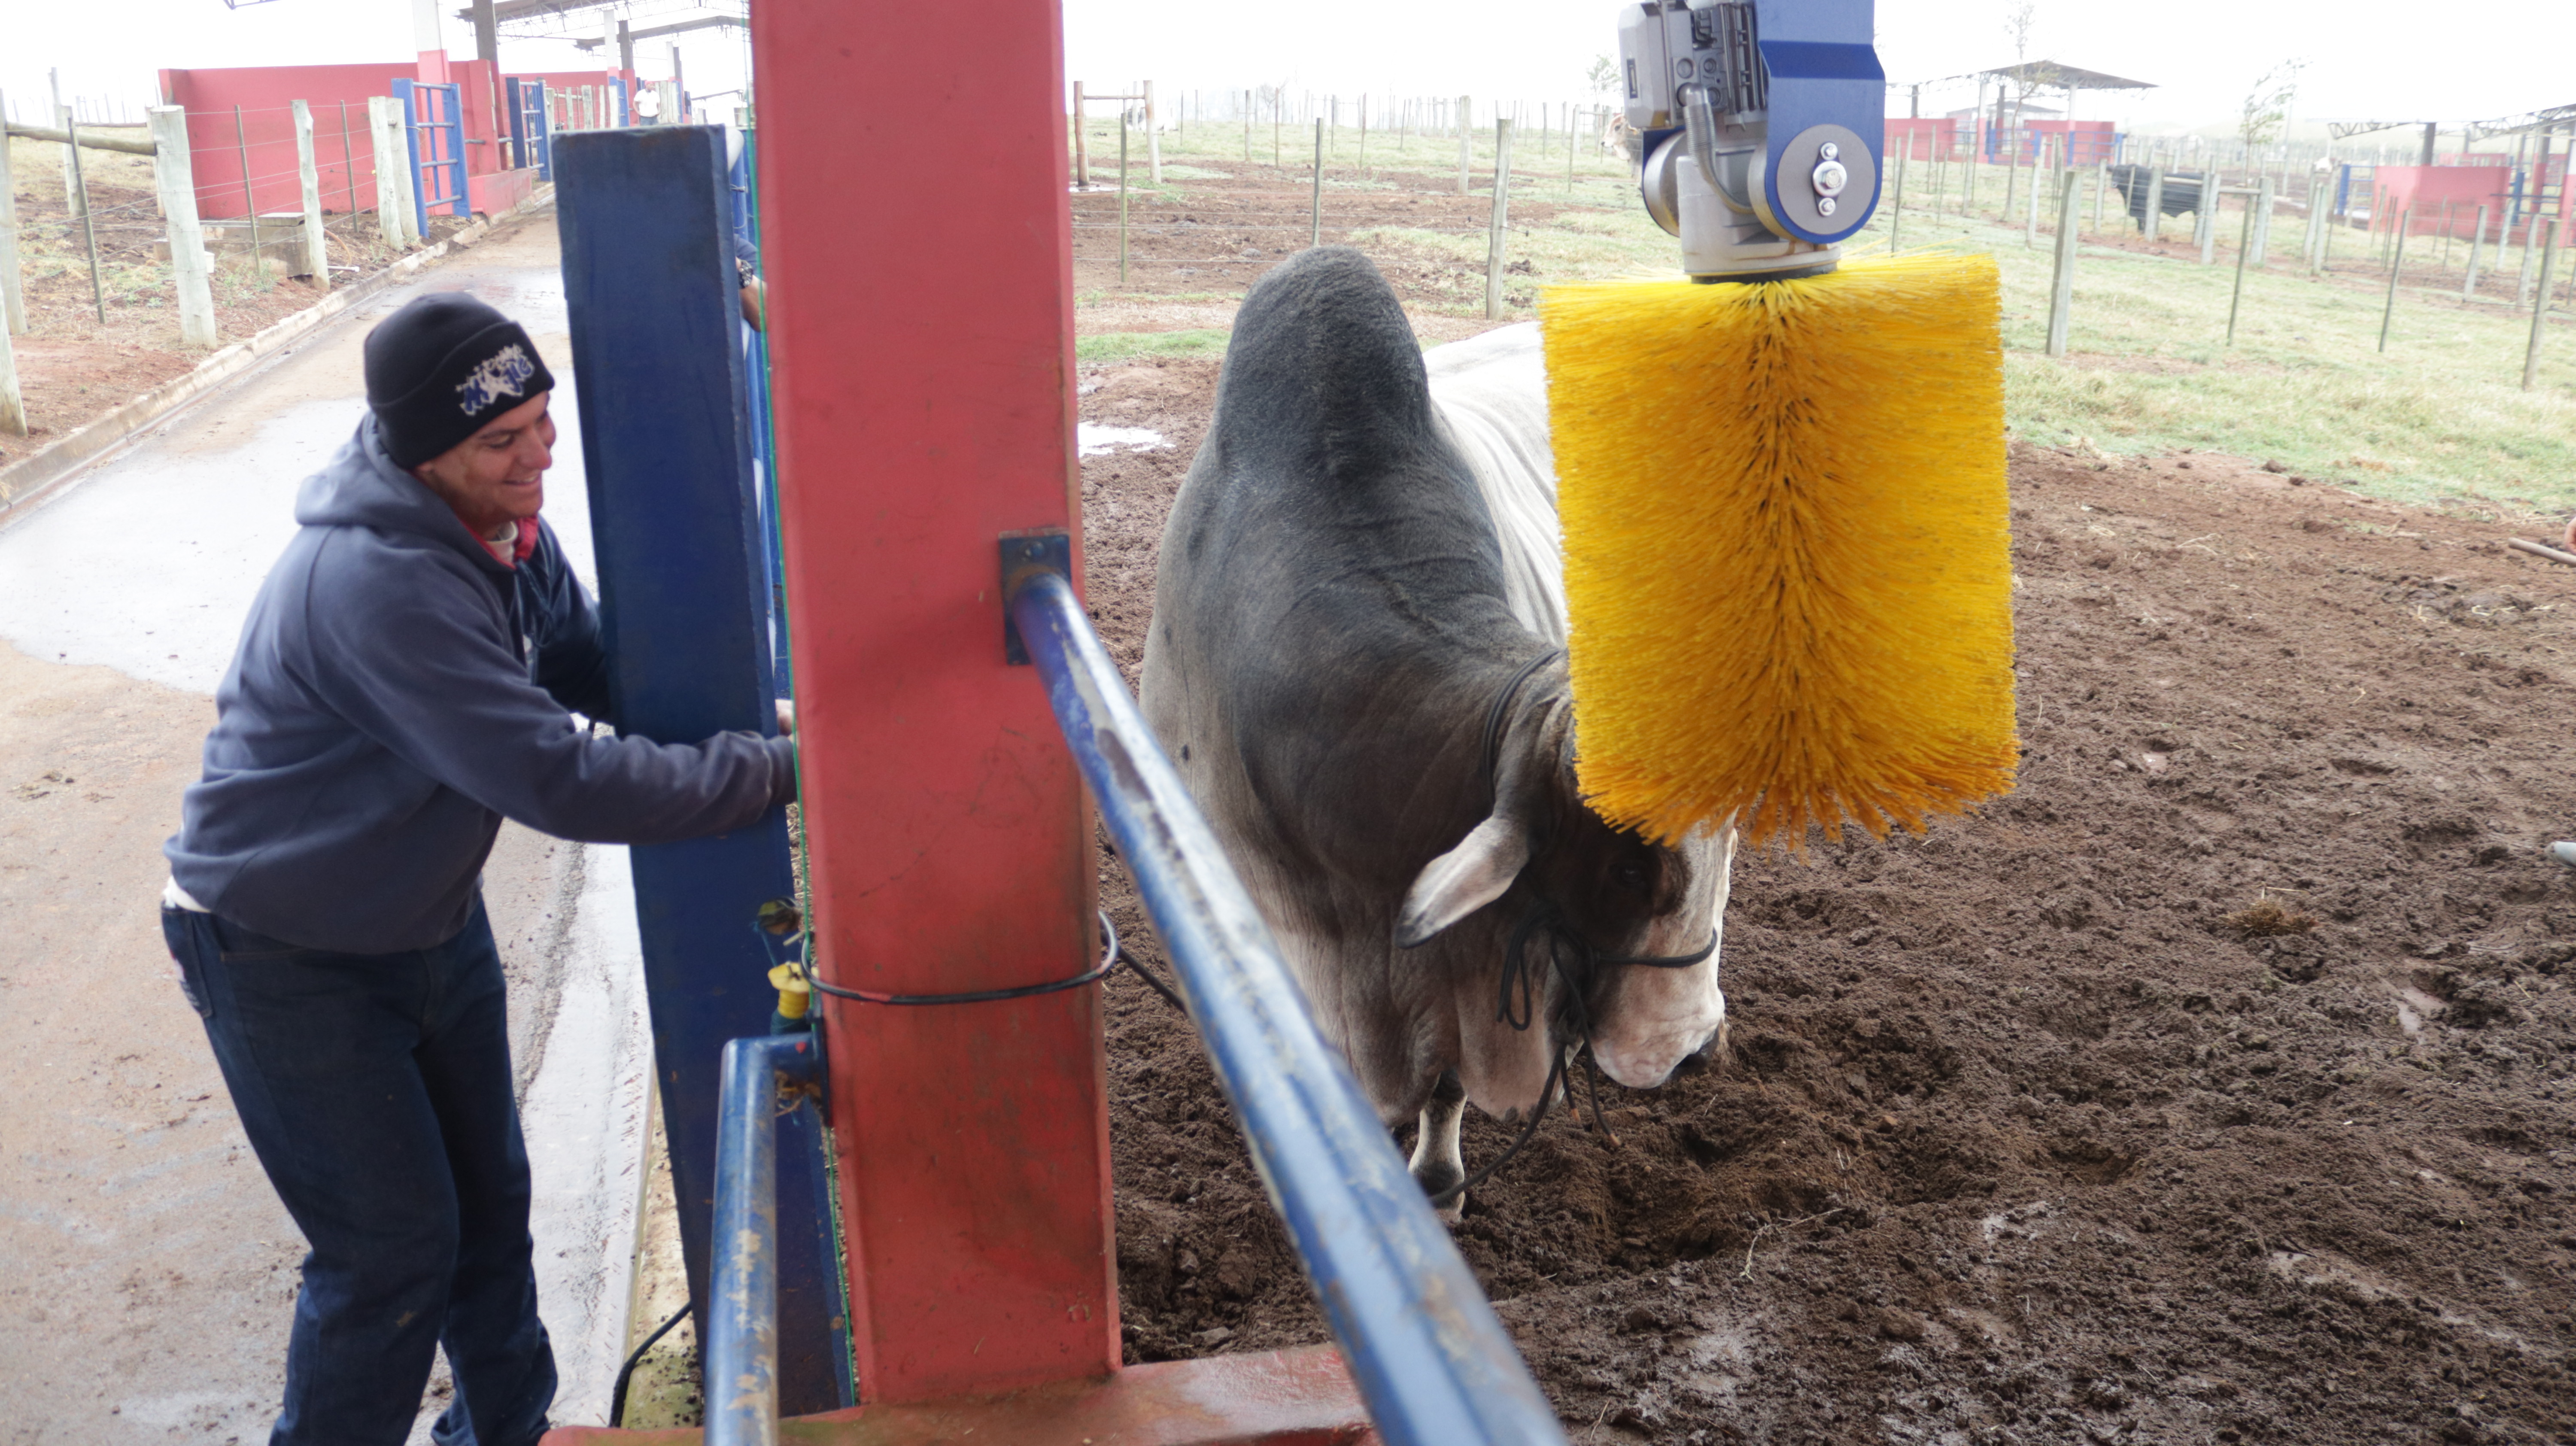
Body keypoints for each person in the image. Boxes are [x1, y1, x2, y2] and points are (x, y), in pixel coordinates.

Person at [160, 292, 796, 1446]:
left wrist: (761, 719)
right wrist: (773, 772)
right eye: (500, 443)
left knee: (491, 1215)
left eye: (543, 423)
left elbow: (588, 663)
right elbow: (559, 781)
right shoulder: (378, 588)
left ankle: (502, 1435)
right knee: (391, 1253)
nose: (536, 458)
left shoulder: (505, 537)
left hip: (425, 926)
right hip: (280, 948)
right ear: (421, 456)